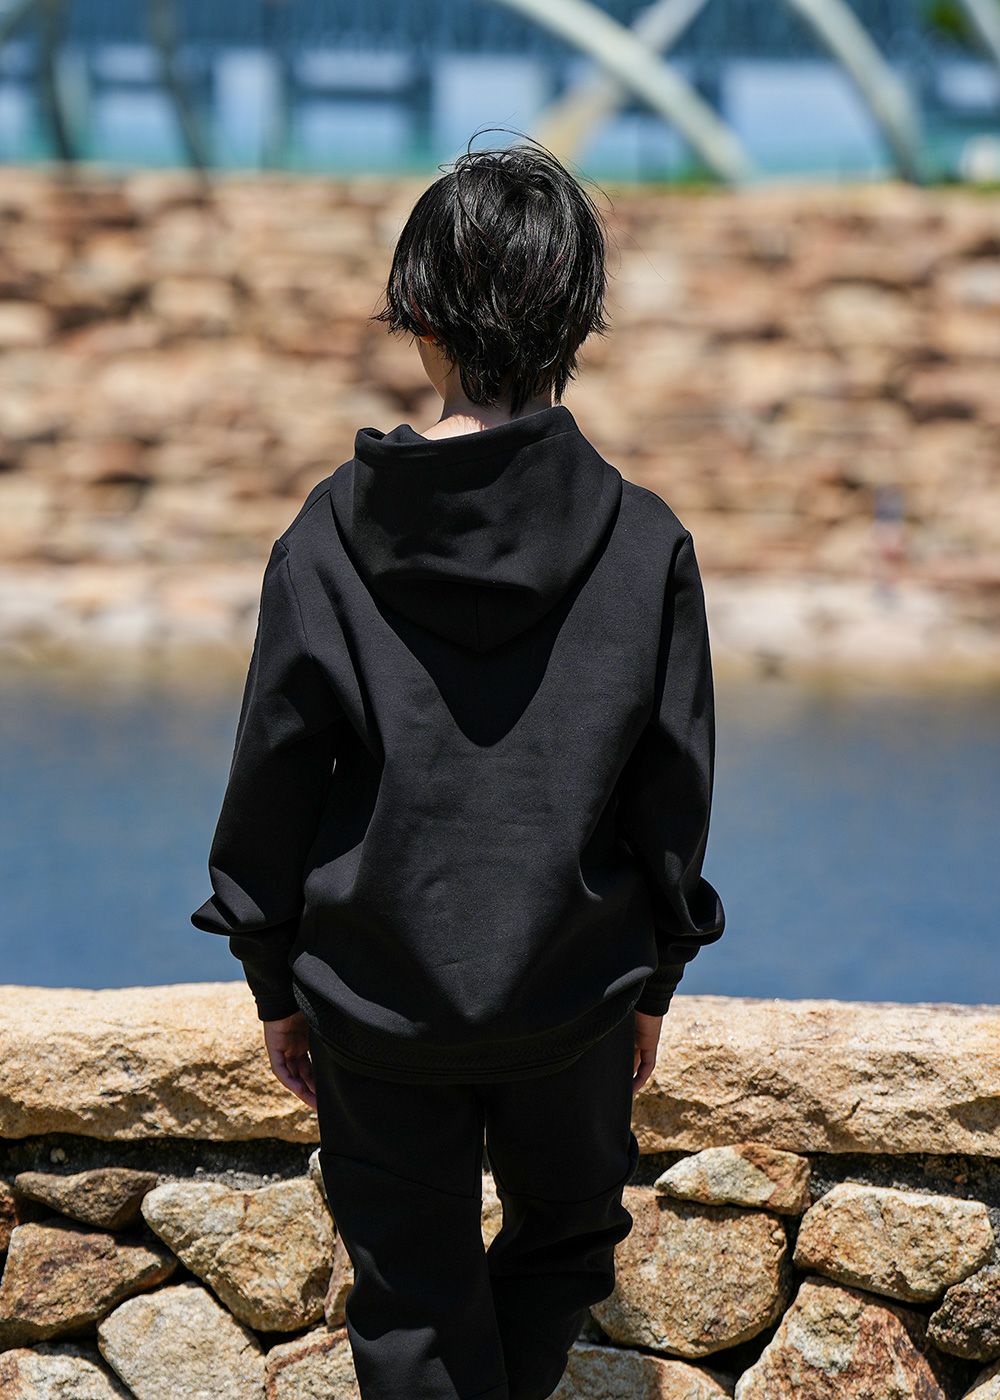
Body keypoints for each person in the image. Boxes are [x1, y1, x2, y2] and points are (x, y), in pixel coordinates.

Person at [190, 128, 726, 1400]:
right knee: (568, 1237)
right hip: (575, 992)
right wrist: (655, 974)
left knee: (412, 1297)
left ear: (417, 317)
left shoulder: (326, 535)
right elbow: (672, 791)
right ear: (576, 322)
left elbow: (273, 778)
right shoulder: (643, 541)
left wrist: (272, 974)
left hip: (373, 996)